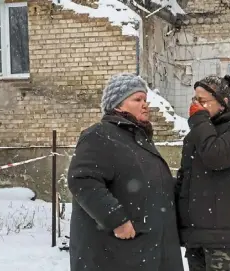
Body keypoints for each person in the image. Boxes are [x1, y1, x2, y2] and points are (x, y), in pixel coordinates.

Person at [67, 73, 184, 271]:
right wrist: (117, 220)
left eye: (145, 99)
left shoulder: (137, 140)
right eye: (137, 99)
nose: (145, 104)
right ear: (117, 105)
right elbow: (83, 180)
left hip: (145, 249)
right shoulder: (100, 135)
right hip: (116, 252)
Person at [176, 75, 230, 271]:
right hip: (195, 235)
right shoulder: (199, 133)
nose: (196, 105)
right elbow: (185, 178)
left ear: (223, 103)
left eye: (202, 101)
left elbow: (214, 156)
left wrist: (199, 120)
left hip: (222, 237)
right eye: (194, 100)